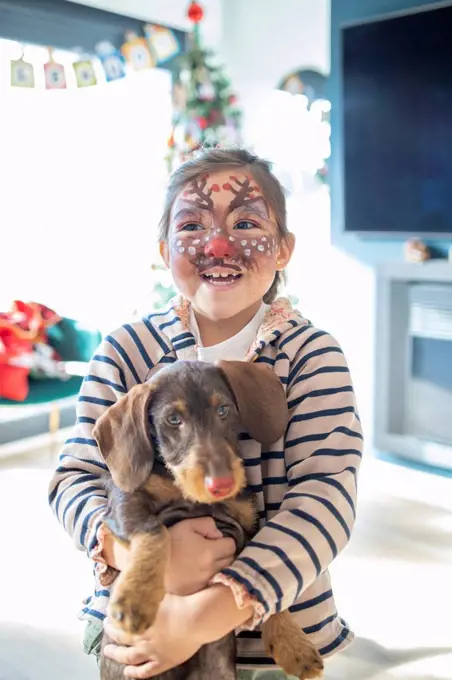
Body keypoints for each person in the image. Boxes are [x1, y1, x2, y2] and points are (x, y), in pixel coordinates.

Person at [49, 147, 363, 679]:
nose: (218, 245)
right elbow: (74, 480)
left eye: (245, 222)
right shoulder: (125, 350)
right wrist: (135, 559)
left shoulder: (313, 356)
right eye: (192, 224)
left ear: (284, 249)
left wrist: (204, 615)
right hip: (138, 633)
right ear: (163, 249)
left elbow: (326, 499)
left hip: (268, 646)